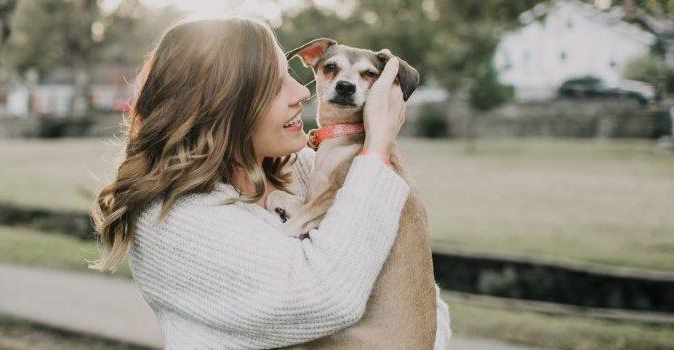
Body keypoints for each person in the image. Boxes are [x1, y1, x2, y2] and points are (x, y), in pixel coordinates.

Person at [89, 16, 449, 349]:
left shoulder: (303, 171)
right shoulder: (173, 222)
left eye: (292, 75)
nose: (303, 93)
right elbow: (326, 298)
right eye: (277, 86)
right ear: (224, 106)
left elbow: (426, 311)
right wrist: (378, 146)